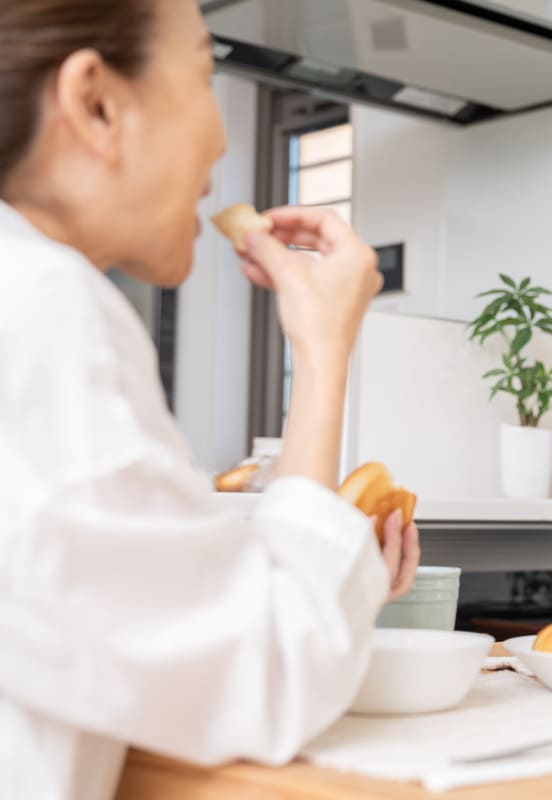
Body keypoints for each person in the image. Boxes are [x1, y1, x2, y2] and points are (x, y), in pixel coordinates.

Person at [0, 1, 420, 797]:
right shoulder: (41, 307)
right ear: (95, 102)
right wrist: (324, 352)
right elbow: (267, 676)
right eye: (203, 71)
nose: (223, 137)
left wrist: (331, 570)